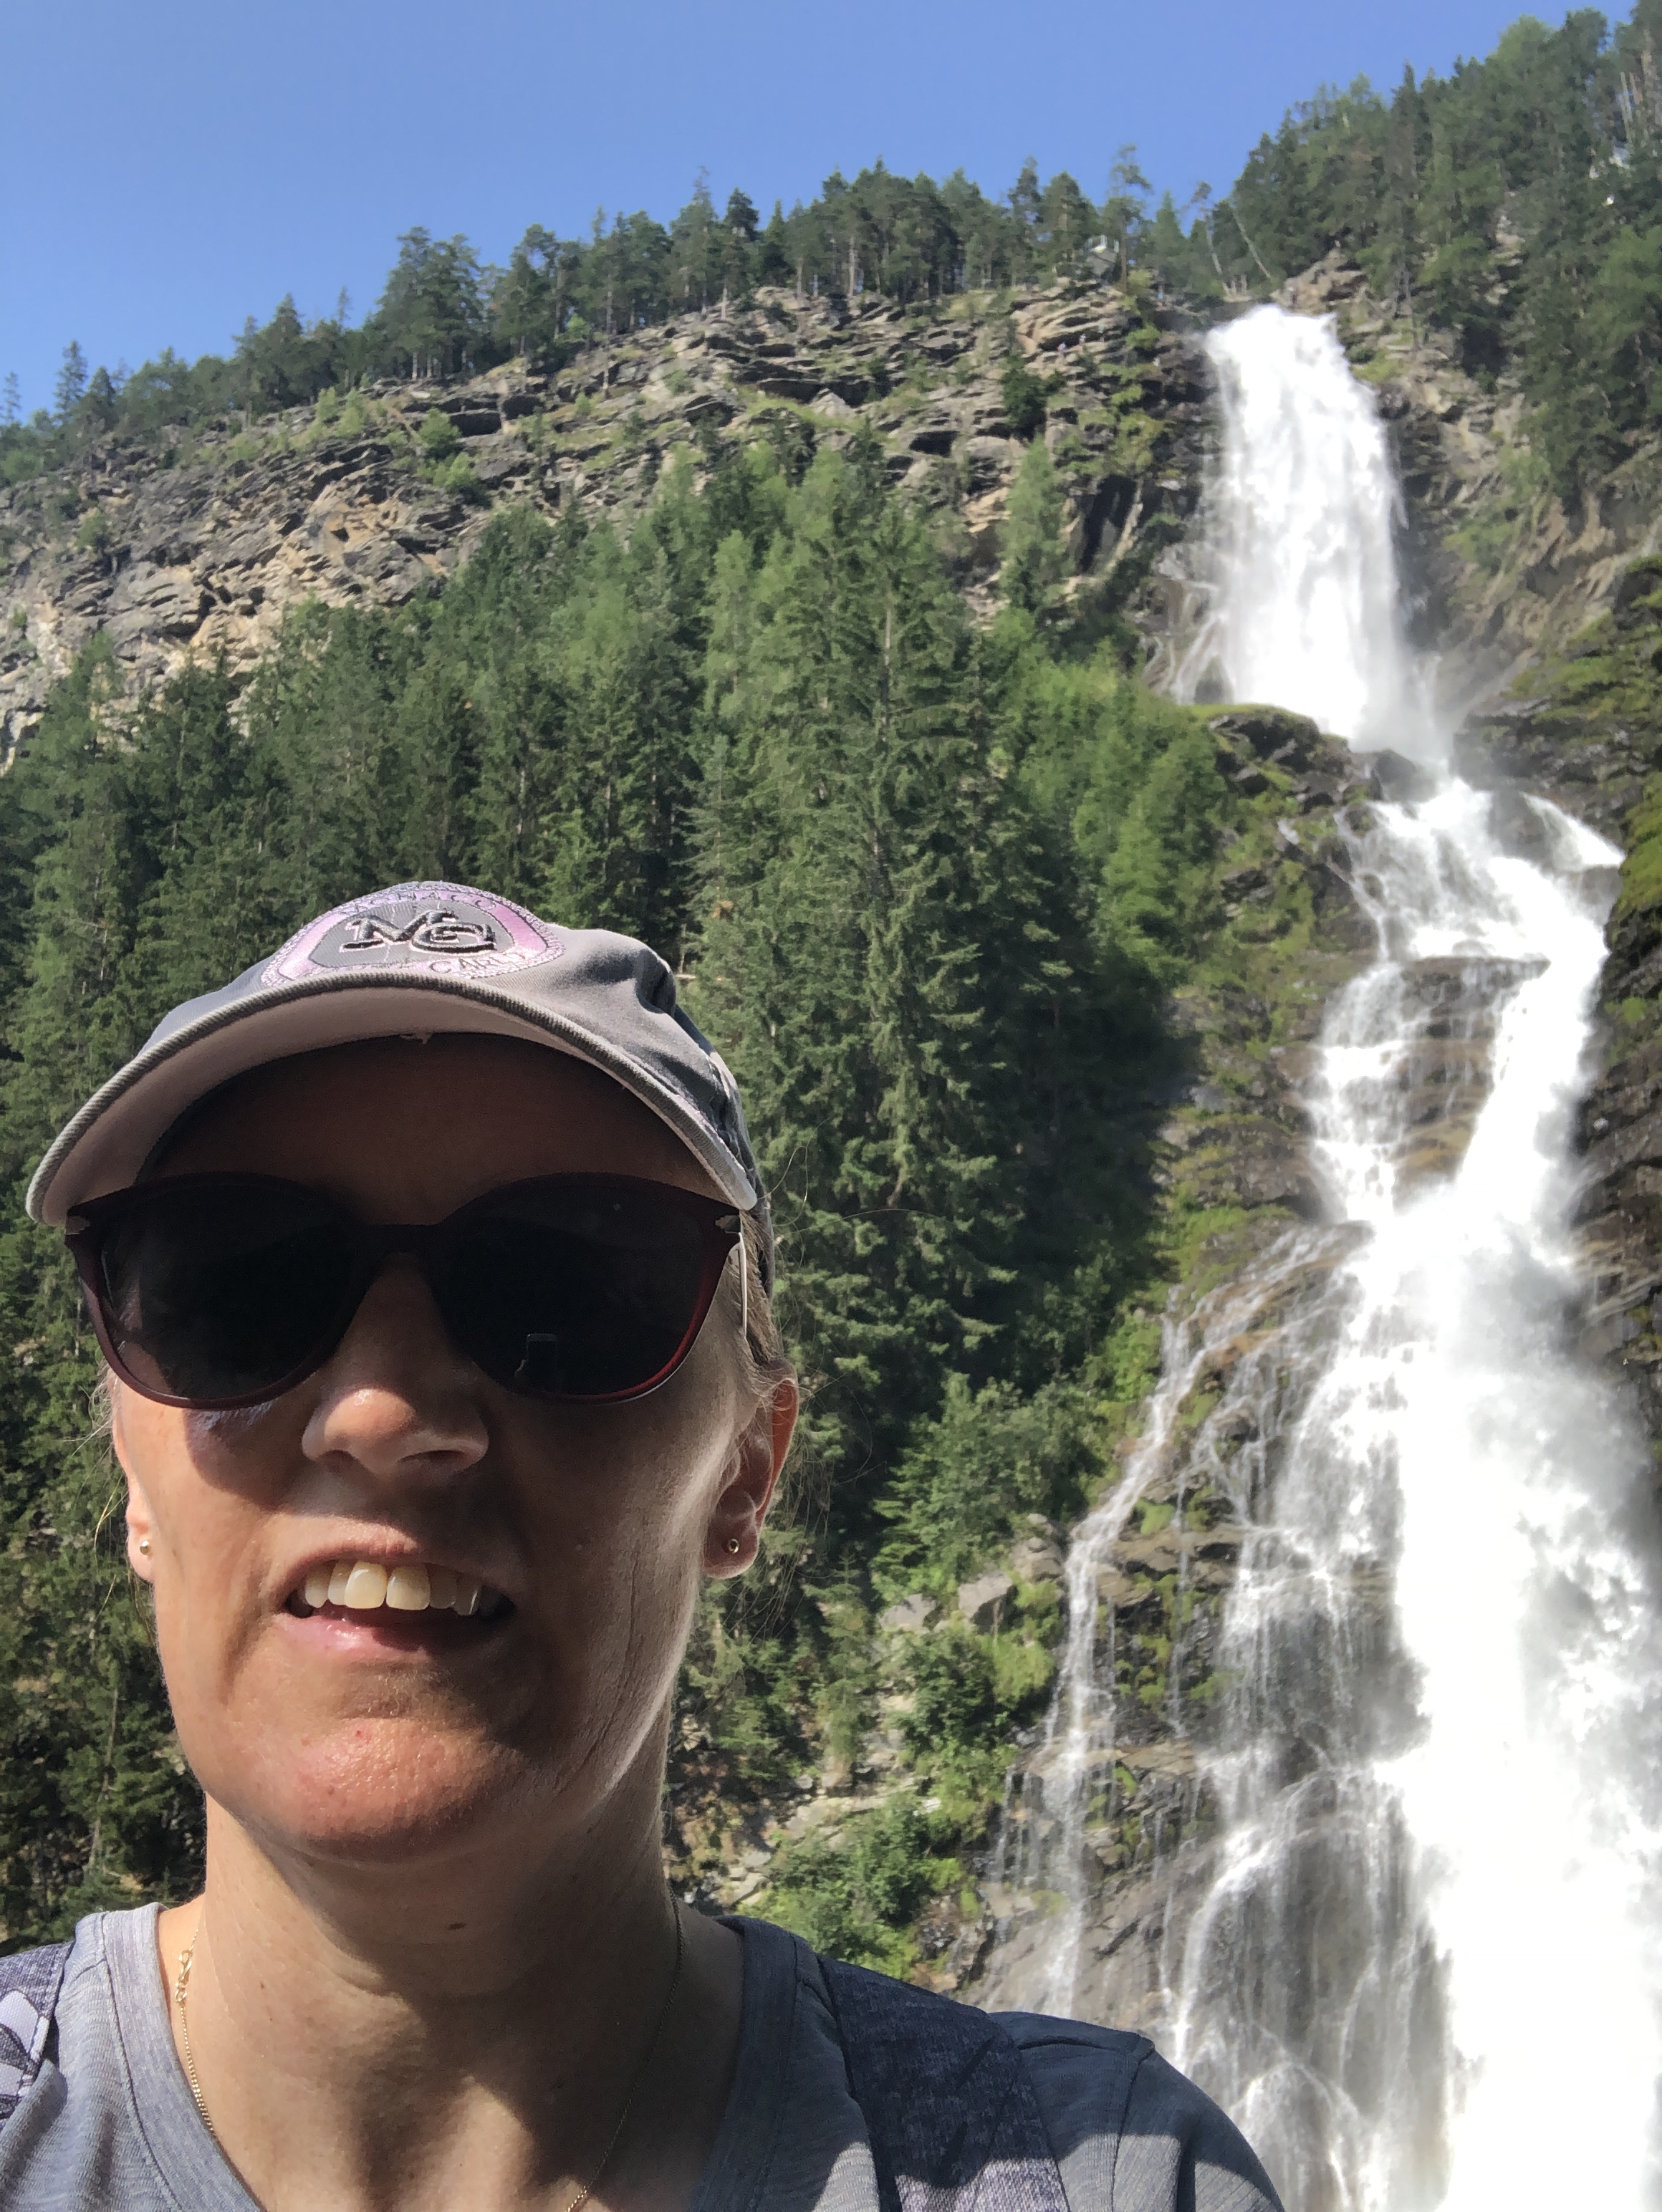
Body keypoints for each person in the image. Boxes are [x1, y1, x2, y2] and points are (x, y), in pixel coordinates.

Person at [0, 881, 1284, 2211]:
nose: (384, 1413)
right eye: (236, 1283)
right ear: (133, 1470)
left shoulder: (1104, 2175)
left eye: (565, 1286)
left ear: (746, 1473)